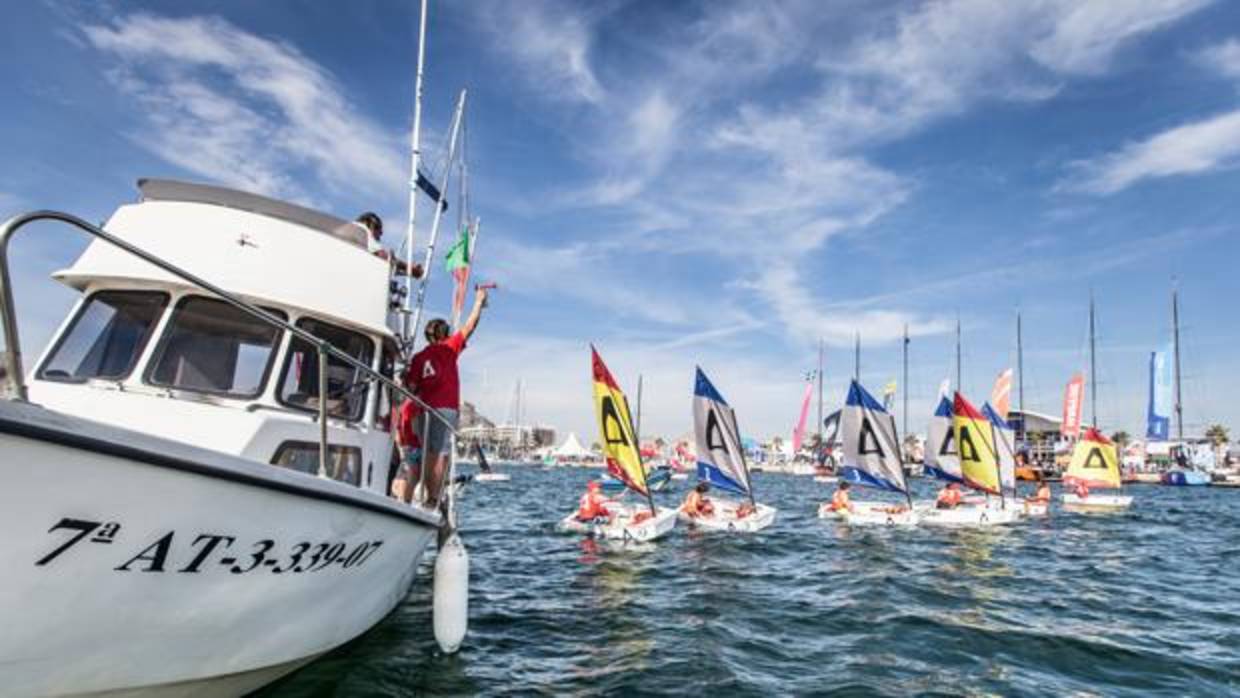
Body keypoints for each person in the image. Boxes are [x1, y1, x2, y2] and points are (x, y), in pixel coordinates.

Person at [404, 287, 489, 507]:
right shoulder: (450, 348)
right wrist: (479, 301)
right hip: (445, 408)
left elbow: (411, 387)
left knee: (429, 454)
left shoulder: (418, 358)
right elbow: (470, 326)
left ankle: (427, 496)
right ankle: (434, 498)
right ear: (445, 333)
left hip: (424, 409)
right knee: (441, 454)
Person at [355, 212, 424, 278]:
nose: (381, 233)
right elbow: (384, 257)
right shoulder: (362, 231)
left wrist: (408, 272)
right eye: (379, 227)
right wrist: (411, 269)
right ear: (371, 225)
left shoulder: (352, 237)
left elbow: (383, 265)